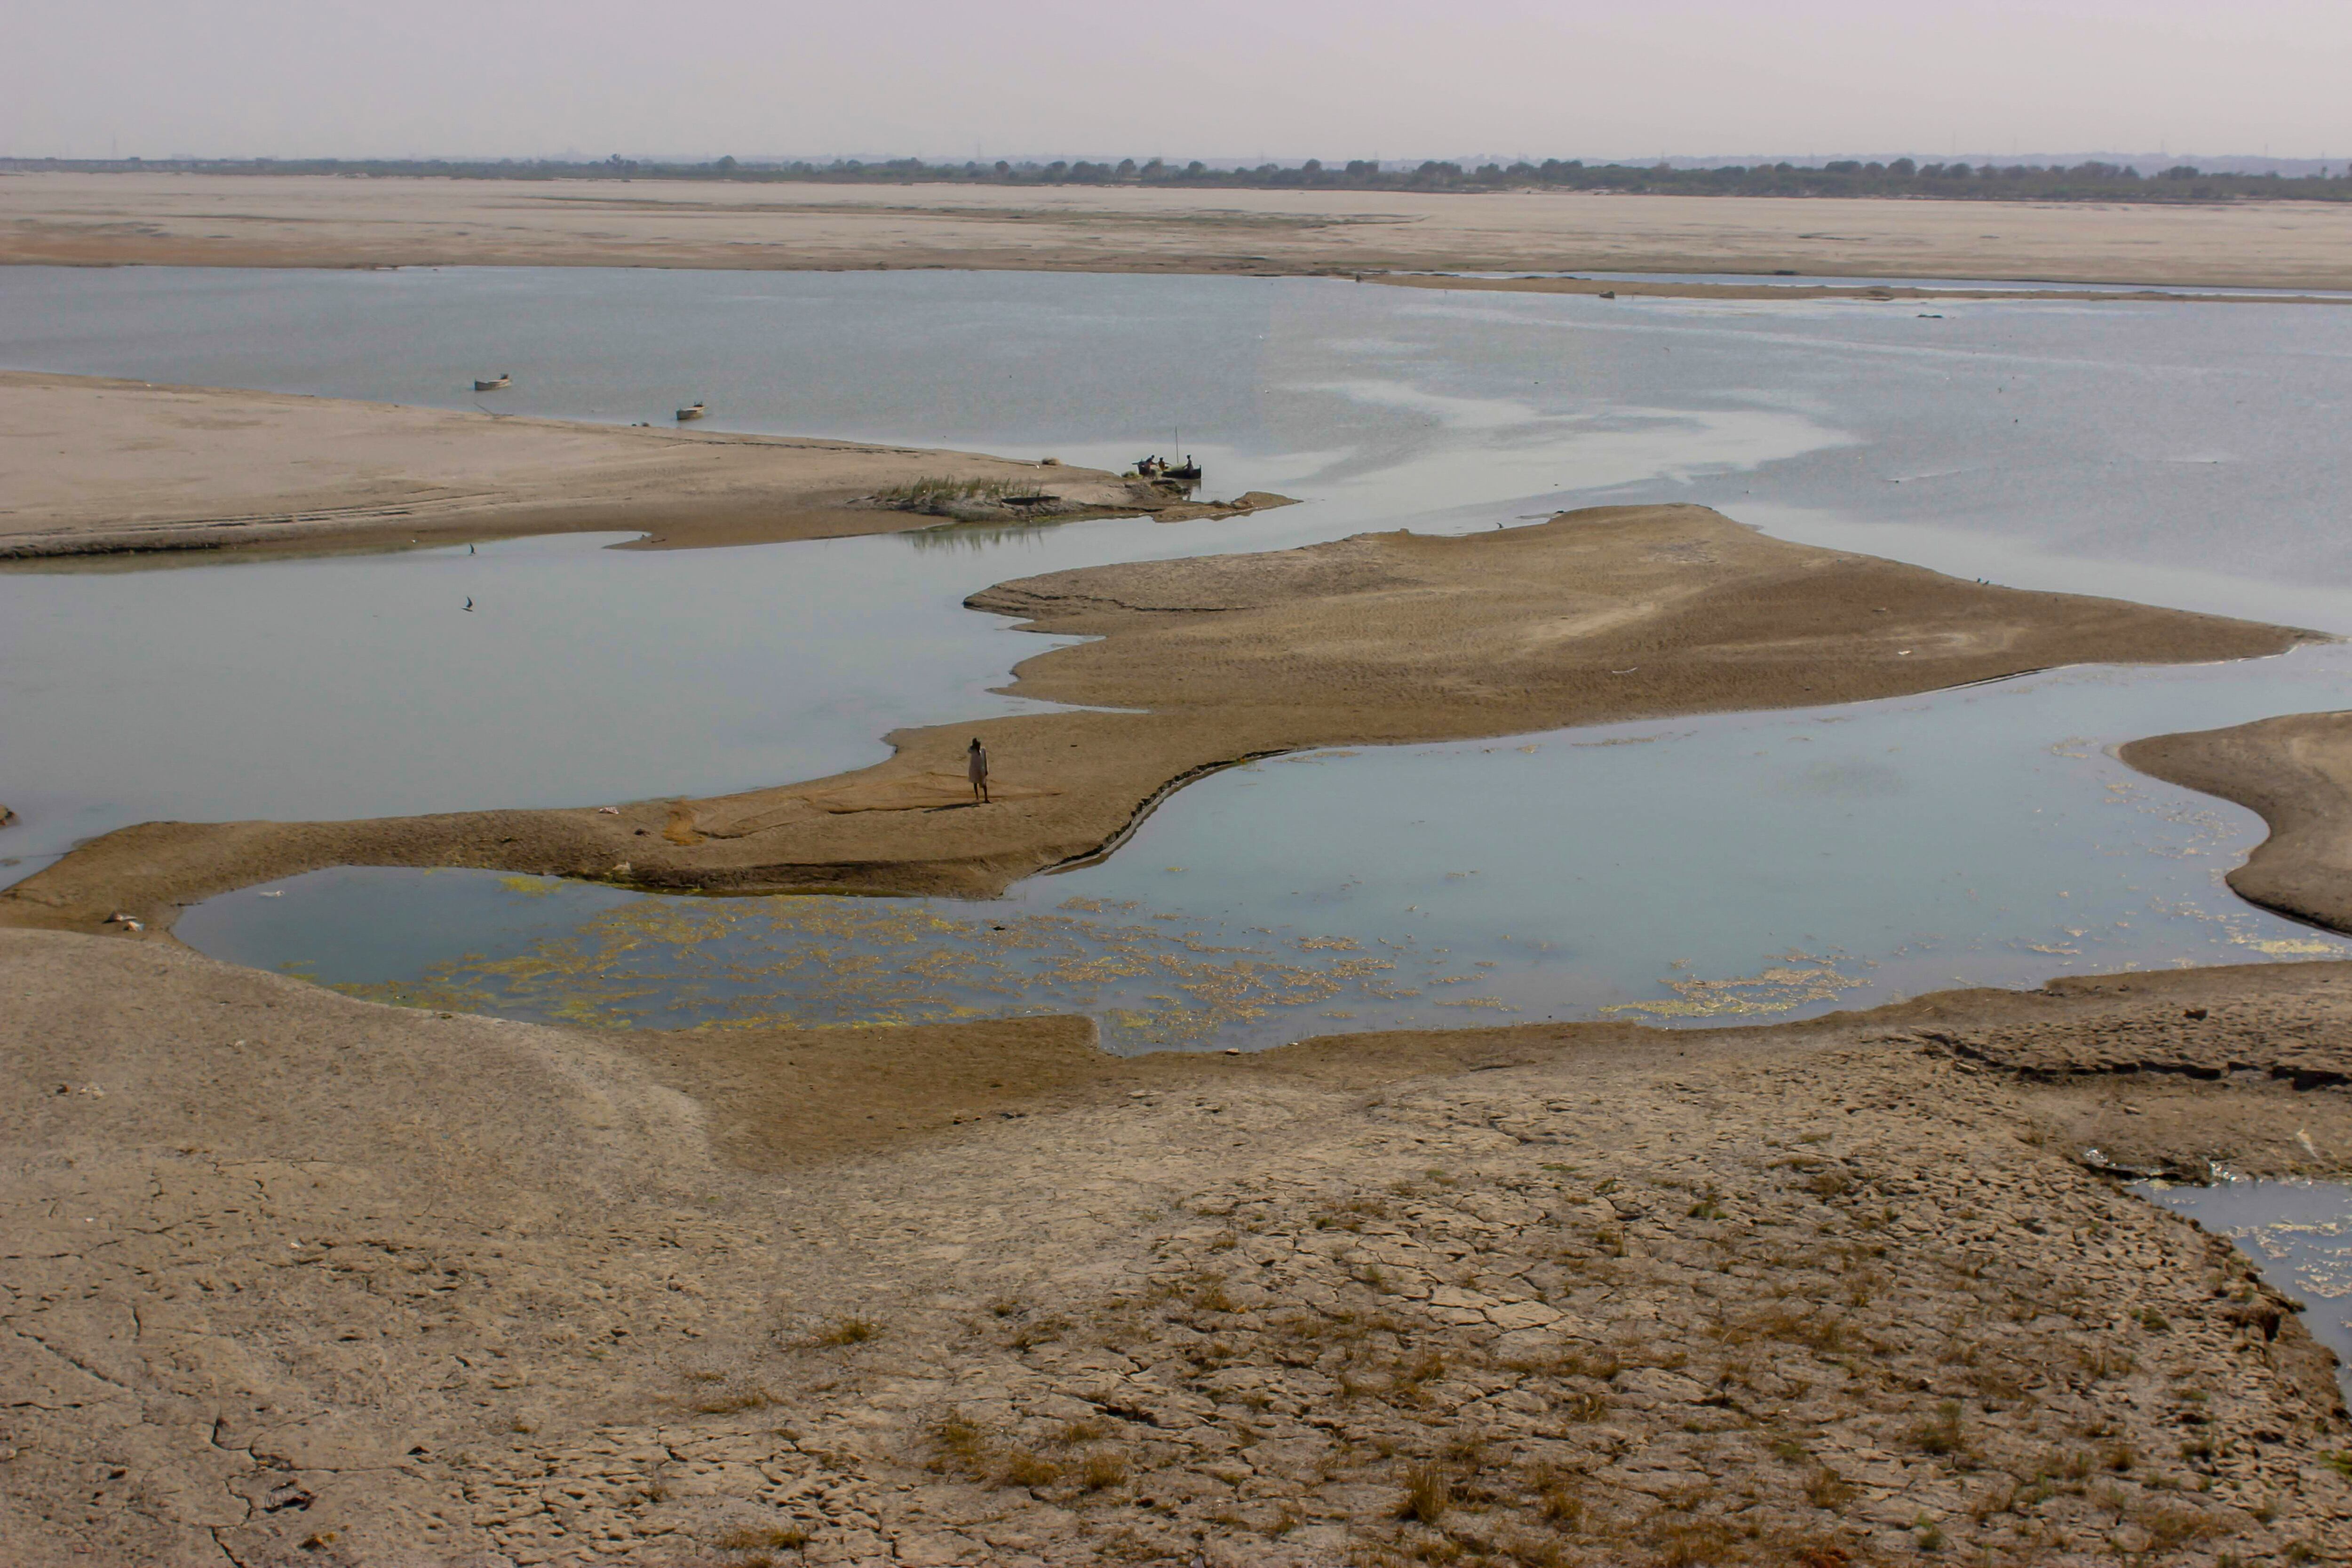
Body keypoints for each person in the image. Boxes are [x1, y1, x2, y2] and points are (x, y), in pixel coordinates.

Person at [967, 737, 991, 804]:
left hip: (982, 768)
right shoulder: (972, 750)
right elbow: (968, 750)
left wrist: (986, 769)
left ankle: (986, 798)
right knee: (975, 783)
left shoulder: (983, 750)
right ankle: (977, 798)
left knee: (984, 783)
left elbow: (985, 760)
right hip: (974, 769)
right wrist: (973, 746)